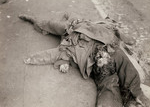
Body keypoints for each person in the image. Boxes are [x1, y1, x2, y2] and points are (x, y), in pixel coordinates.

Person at [19, 12, 150, 107]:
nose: (101, 58)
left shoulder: (114, 53)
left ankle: (134, 99)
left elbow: (129, 71)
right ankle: (33, 19)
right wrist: (33, 58)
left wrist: (139, 94)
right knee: (54, 25)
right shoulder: (75, 44)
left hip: (104, 64)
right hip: (76, 32)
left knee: (110, 85)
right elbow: (53, 54)